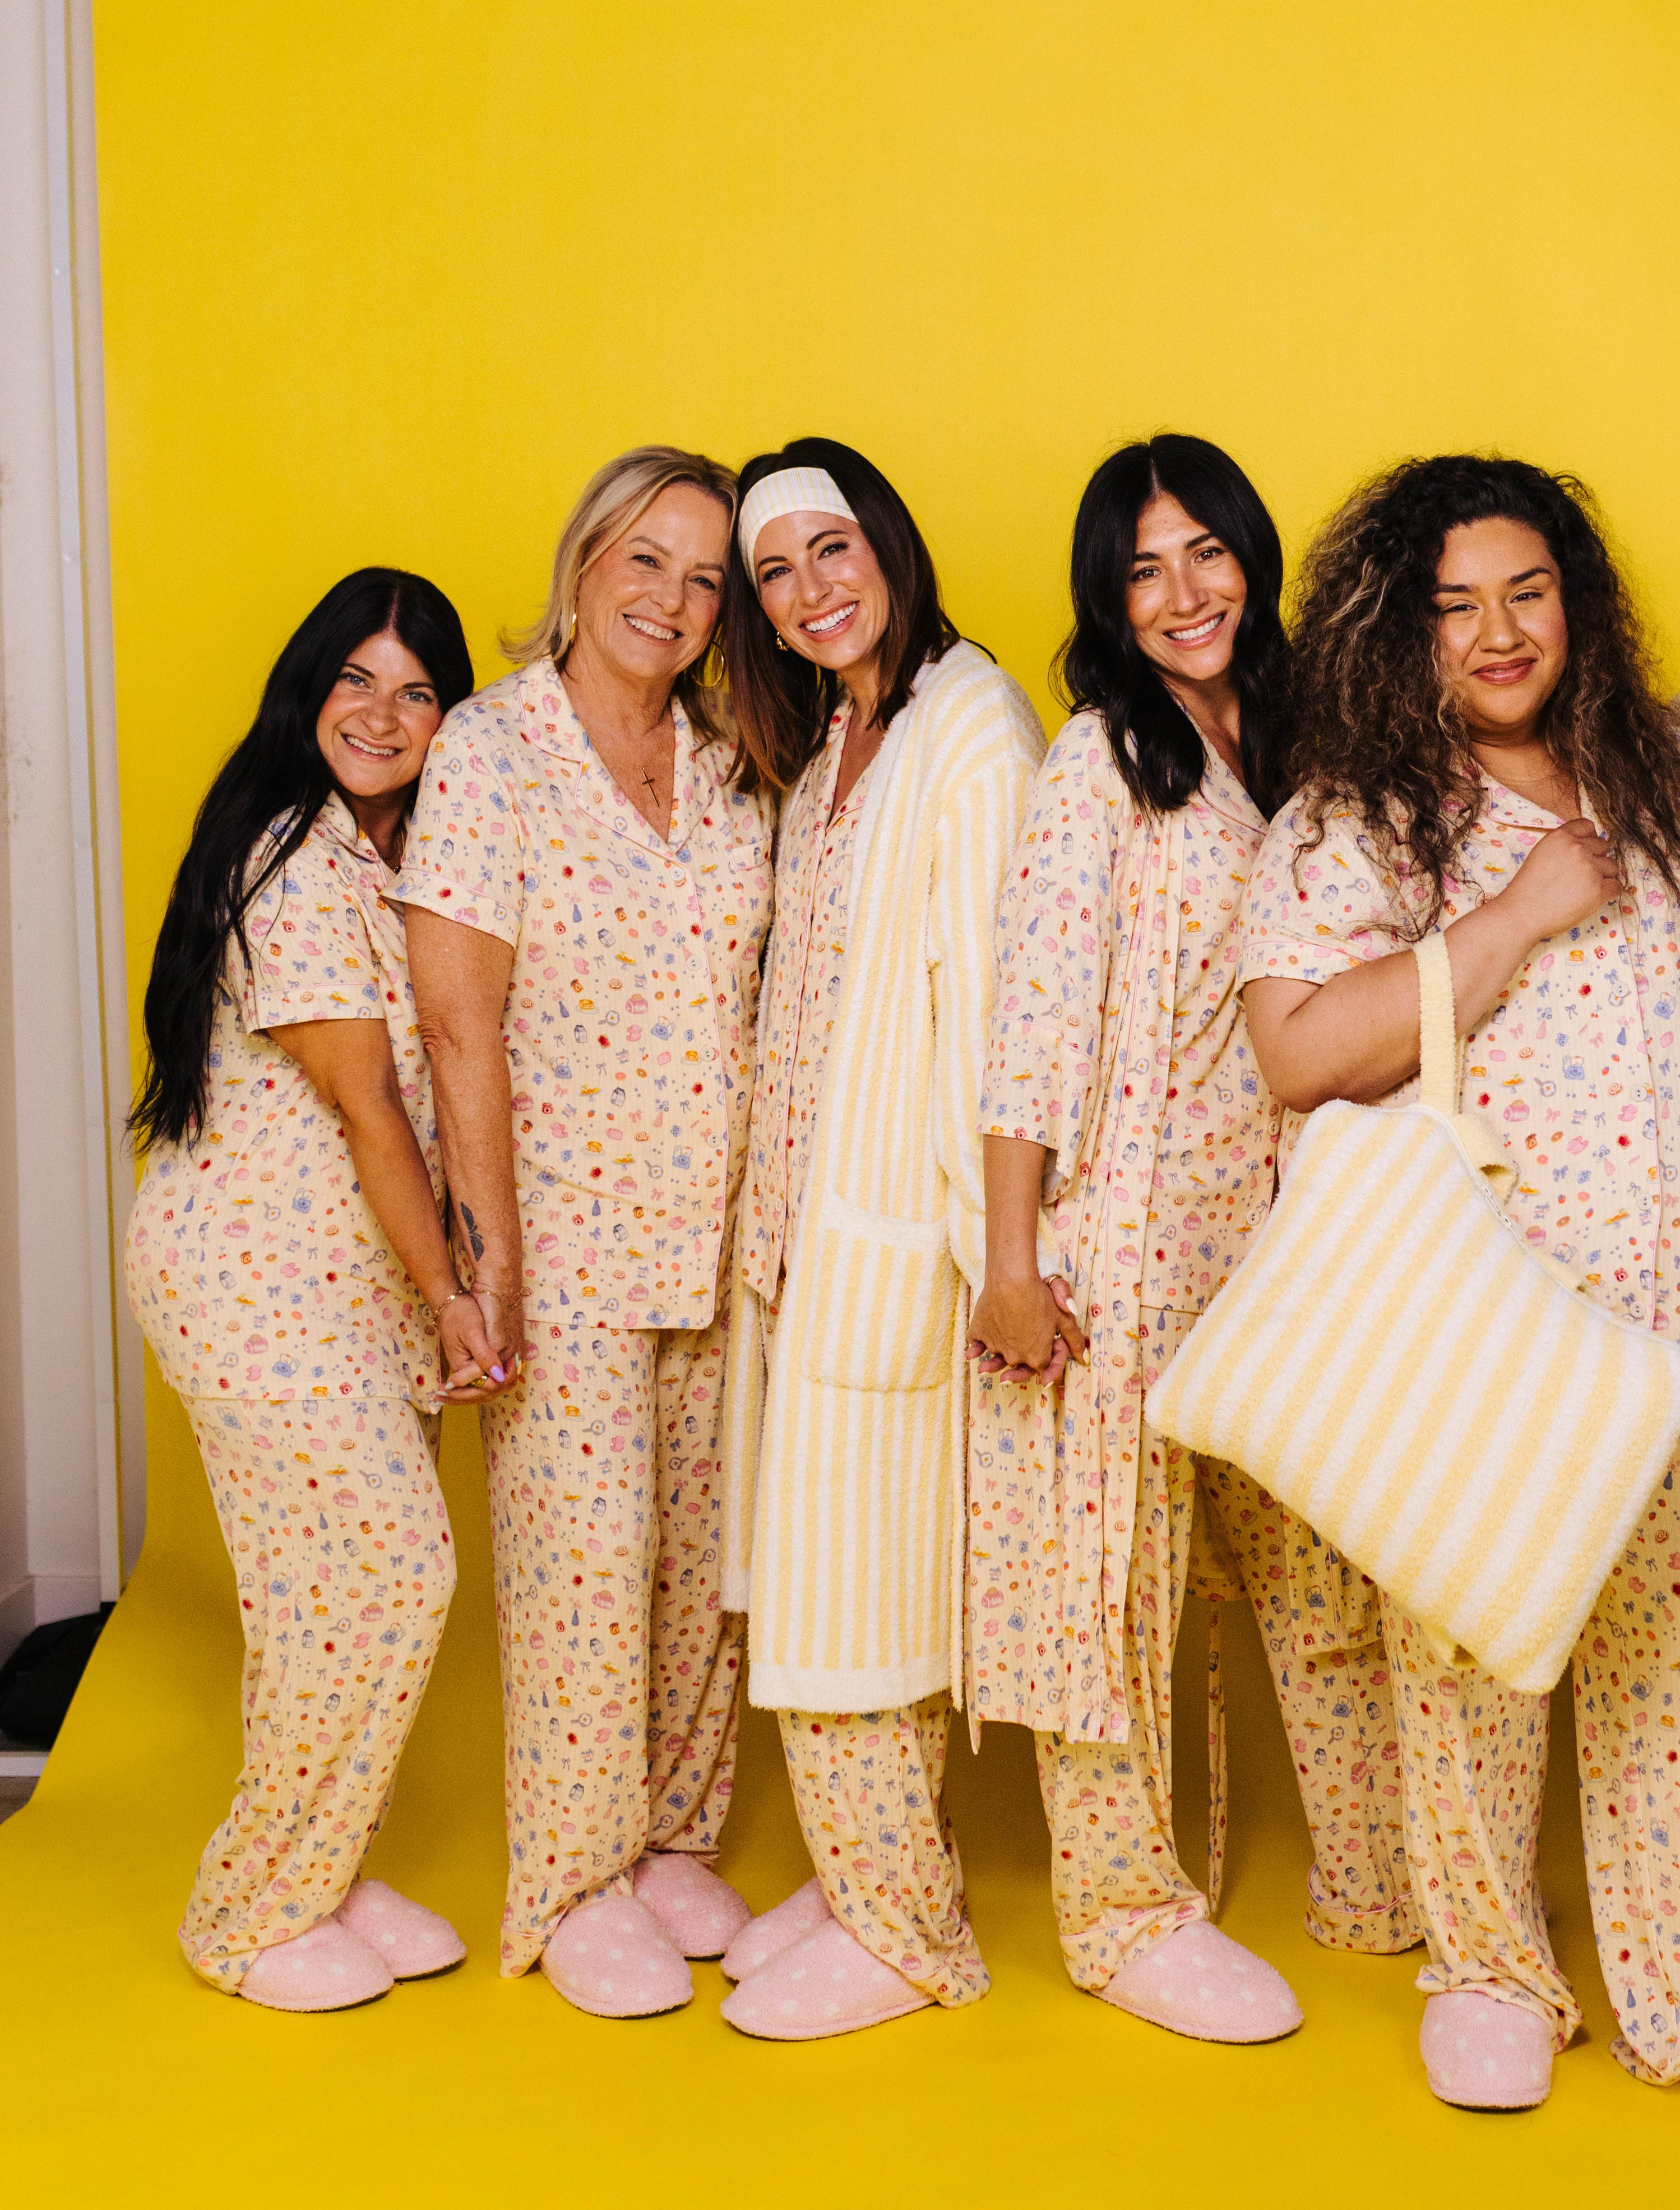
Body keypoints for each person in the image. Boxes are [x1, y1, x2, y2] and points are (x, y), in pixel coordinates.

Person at [1238, 455, 1680, 2133]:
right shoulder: (1351, 816)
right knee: (1469, 1650)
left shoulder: (1679, 781)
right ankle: (1487, 1964)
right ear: (1402, 630)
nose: (1498, 630)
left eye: (1527, 590)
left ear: (1576, 602)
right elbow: (1300, 1049)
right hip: (1491, 1330)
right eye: (1455, 603)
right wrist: (1519, 914)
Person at [968, 435, 1419, 2041]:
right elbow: (1029, 1019)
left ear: (1253, 553)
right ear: (1109, 595)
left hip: (1273, 1254)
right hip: (1122, 1245)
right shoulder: (1102, 760)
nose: (1184, 593)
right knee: (1107, 1590)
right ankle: (1118, 1912)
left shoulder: (1297, 746)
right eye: (1145, 568)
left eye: (1207, 551)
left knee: (1316, 1577)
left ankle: (1383, 1879)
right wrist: (1016, 1260)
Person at [397, 450, 772, 2020]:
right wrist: (486, 1264)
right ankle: (569, 1879)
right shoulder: (492, 751)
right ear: (585, 556)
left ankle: (674, 1830)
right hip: (564, 1227)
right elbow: (458, 1021)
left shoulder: (730, 758)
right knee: (581, 1567)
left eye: (704, 578)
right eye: (646, 557)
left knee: (702, 1565)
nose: (671, 599)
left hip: (717, 1224)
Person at [711, 441, 1043, 2042]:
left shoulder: (972, 731)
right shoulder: (840, 735)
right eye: (774, 573)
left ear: (890, 544)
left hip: (898, 1235)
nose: (807, 591)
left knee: (852, 1591)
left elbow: (994, 1014)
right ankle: (868, 1873)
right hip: (800, 1225)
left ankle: (906, 1930)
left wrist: (998, 1254)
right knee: (829, 1577)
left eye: (831, 549)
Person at [127, 567, 491, 2012]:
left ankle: (315, 1870)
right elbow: (369, 1111)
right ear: (309, 691)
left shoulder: (405, 862)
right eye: (357, 679)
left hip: (342, 1283)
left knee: (311, 1601)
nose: (386, 713)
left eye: (418, 689)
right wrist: (460, 1292)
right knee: (395, 1576)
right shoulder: (291, 857)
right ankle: (249, 1911)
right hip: (254, 1278)